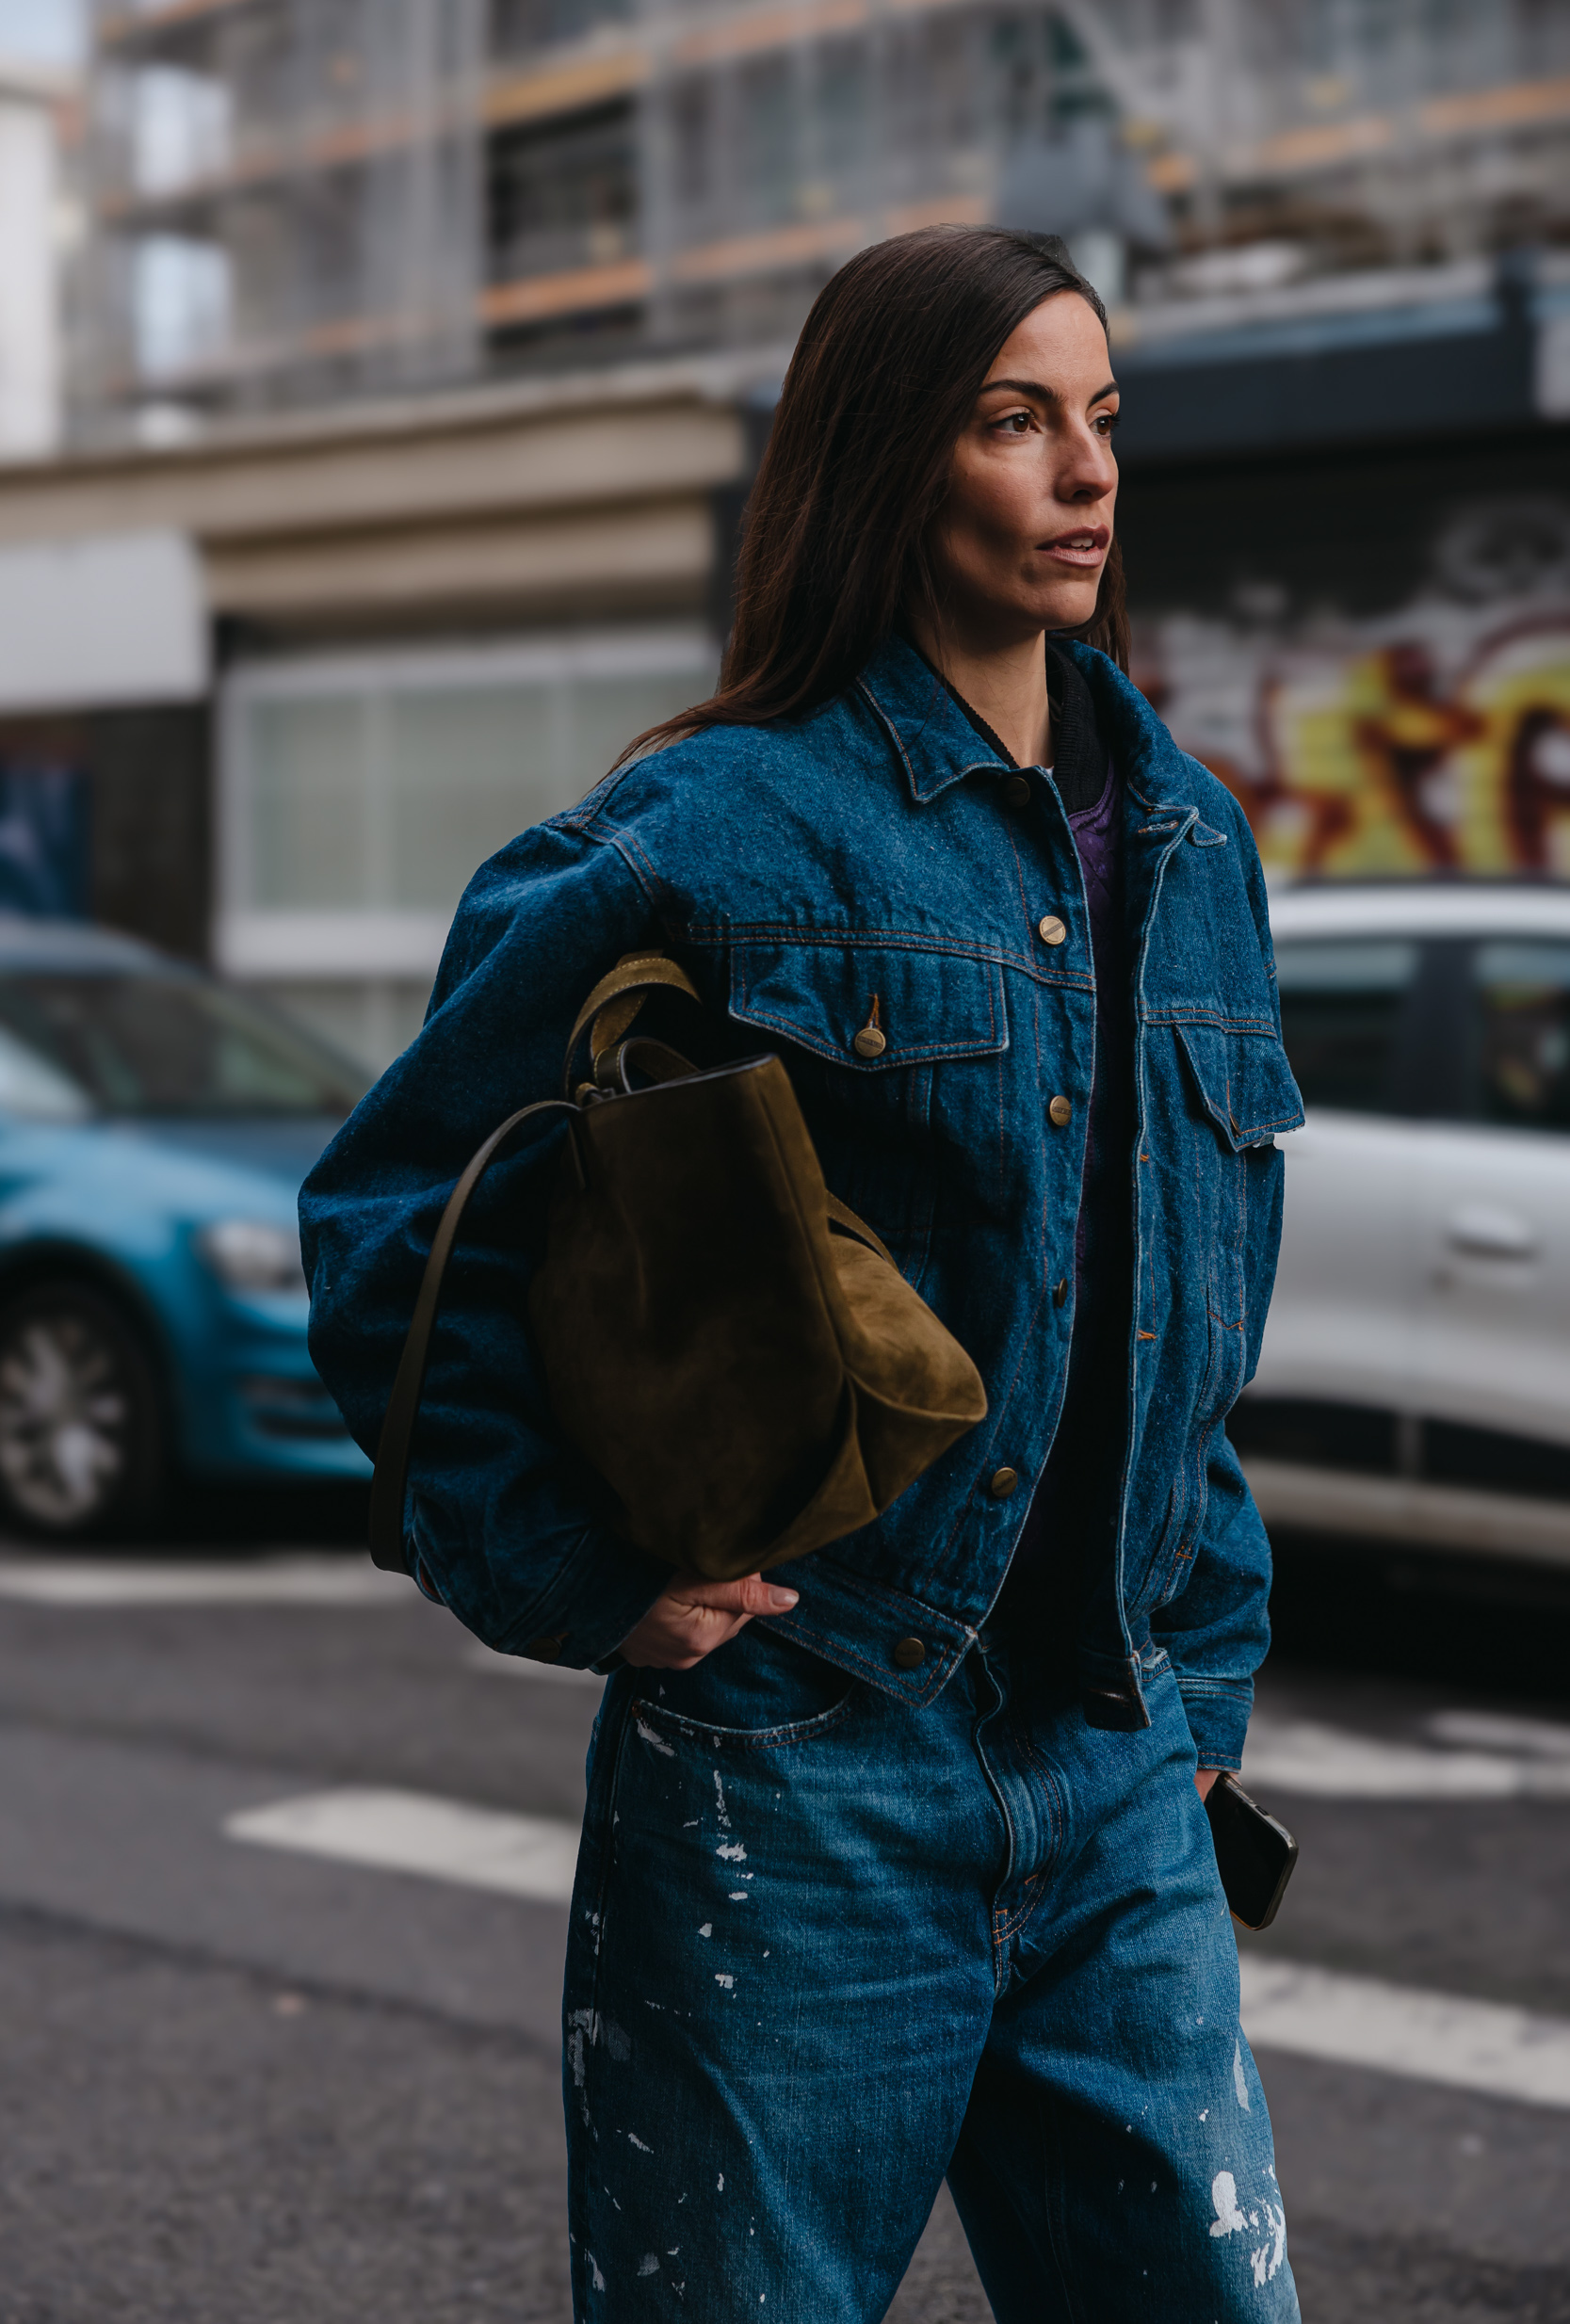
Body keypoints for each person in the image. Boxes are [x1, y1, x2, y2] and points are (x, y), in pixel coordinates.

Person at [300, 224, 1304, 2321]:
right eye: (1013, 420)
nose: (1084, 473)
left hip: (1125, 1784)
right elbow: (404, 1217)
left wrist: (1200, 1688)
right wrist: (576, 1568)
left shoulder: (1201, 847)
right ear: (880, 461)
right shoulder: (718, 828)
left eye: (1102, 420)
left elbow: (1197, 1331)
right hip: (802, 1758)